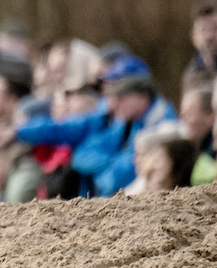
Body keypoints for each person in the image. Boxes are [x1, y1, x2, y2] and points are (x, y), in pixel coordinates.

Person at [12, 59, 171, 197]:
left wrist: (100, 169)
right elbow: (80, 154)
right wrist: (108, 164)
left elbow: (113, 180)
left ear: (142, 96)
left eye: (120, 95)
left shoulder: (162, 127)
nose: (112, 102)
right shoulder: (123, 120)